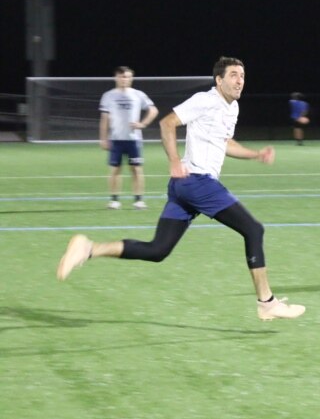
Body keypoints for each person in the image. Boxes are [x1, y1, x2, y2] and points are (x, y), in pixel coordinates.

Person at [58, 57, 306, 320]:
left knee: (158, 250)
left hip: (184, 187)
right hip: (197, 181)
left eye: (242, 75)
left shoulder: (230, 108)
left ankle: (89, 248)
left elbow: (225, 143)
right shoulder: (205, 100)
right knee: (254, 229)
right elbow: (167, 123)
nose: (239, 80)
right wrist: (174, 161)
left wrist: (255, 154)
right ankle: (266, 303)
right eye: (233, 75)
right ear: (219, 80)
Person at [99, 66, 159, 210]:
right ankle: (114, 200)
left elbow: (153, 110)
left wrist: (143, 123)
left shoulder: (138, 95)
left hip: (134, 140)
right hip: (116, 139)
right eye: (121, 76)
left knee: (136, 169)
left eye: (127, 76)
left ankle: (138, 200)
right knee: (115, 170)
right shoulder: (108, 96)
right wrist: (103, 138)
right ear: (116, 78)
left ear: (131, 78)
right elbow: (104, 119)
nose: (124, 79)